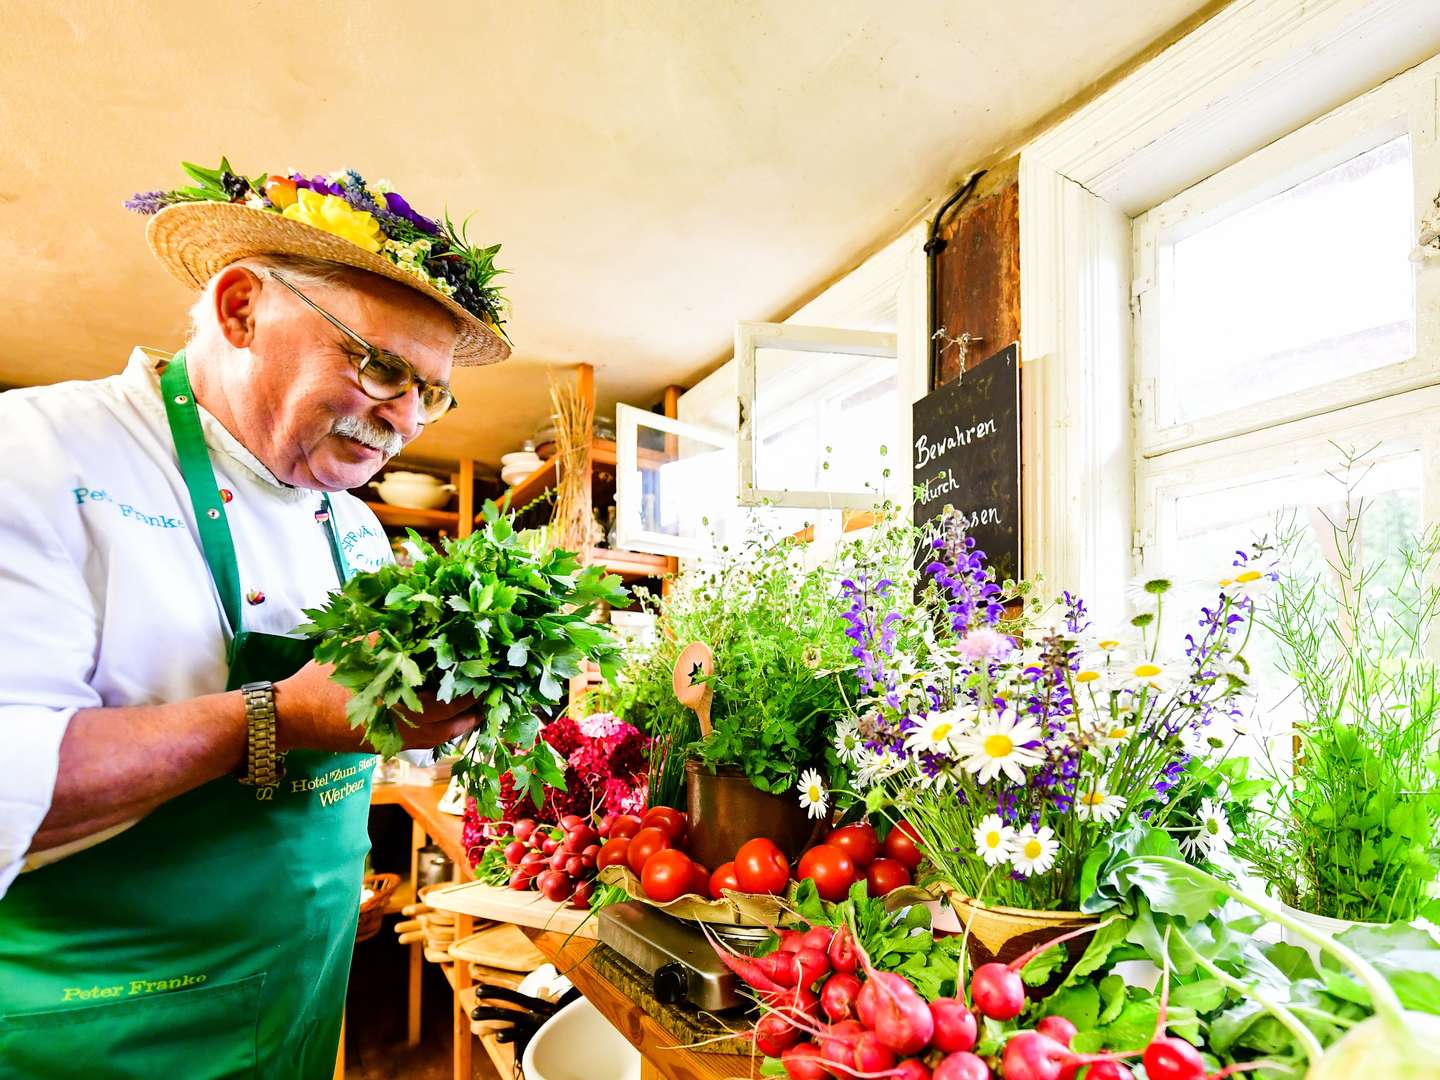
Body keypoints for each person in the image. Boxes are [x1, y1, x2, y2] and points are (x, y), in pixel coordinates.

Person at [0, 160, 511, 1077]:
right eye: (383, 366)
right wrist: (280, 718)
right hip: (102, 1026)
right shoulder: (38, 454)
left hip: (299, 1000)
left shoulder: (355, 525)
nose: (406, 421)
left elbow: (350, 727)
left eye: (431, 393)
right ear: (240, 309)